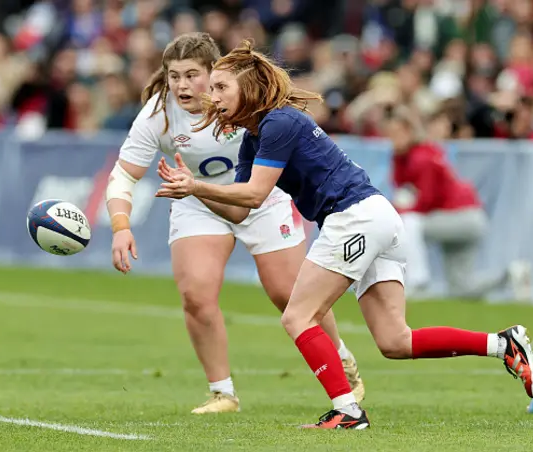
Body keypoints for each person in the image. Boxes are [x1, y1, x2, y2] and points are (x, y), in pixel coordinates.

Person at [155, 40, 533, 429]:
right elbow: (241, 208)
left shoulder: (278, 122)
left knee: (298, 317)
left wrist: (197, 187)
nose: (211, 95)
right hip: (375, 216)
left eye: (222, 87)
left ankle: (348, 410)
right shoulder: (256, 138)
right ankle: (503, 344)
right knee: (395, 341)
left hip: (354, 218)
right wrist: (194, 191)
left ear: (249, 88)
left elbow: (254, 193)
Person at [104, 32, 365, 414]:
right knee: (196, 293)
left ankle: (340, 358)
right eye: (174, 75)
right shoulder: (159, 114)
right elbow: (123, 176)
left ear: (214, 73)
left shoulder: (242, 100)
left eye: (192, 74)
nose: (181, 85)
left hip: (261, 196)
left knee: (290, 295)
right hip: (198, 198)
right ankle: (222, 392)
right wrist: (121, 226)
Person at [383, 105, 515, 299]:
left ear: (410, 131)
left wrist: (398, 210)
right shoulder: (405, 157)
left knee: (407, 223)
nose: (392, 138)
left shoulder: (421, 158)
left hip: (461, 218)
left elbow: (425, 202)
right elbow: (404, 189)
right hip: (461, 217)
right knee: (462, 289)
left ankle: (418, 281)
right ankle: (510, 275)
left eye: (397, 132)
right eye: (389, 133)